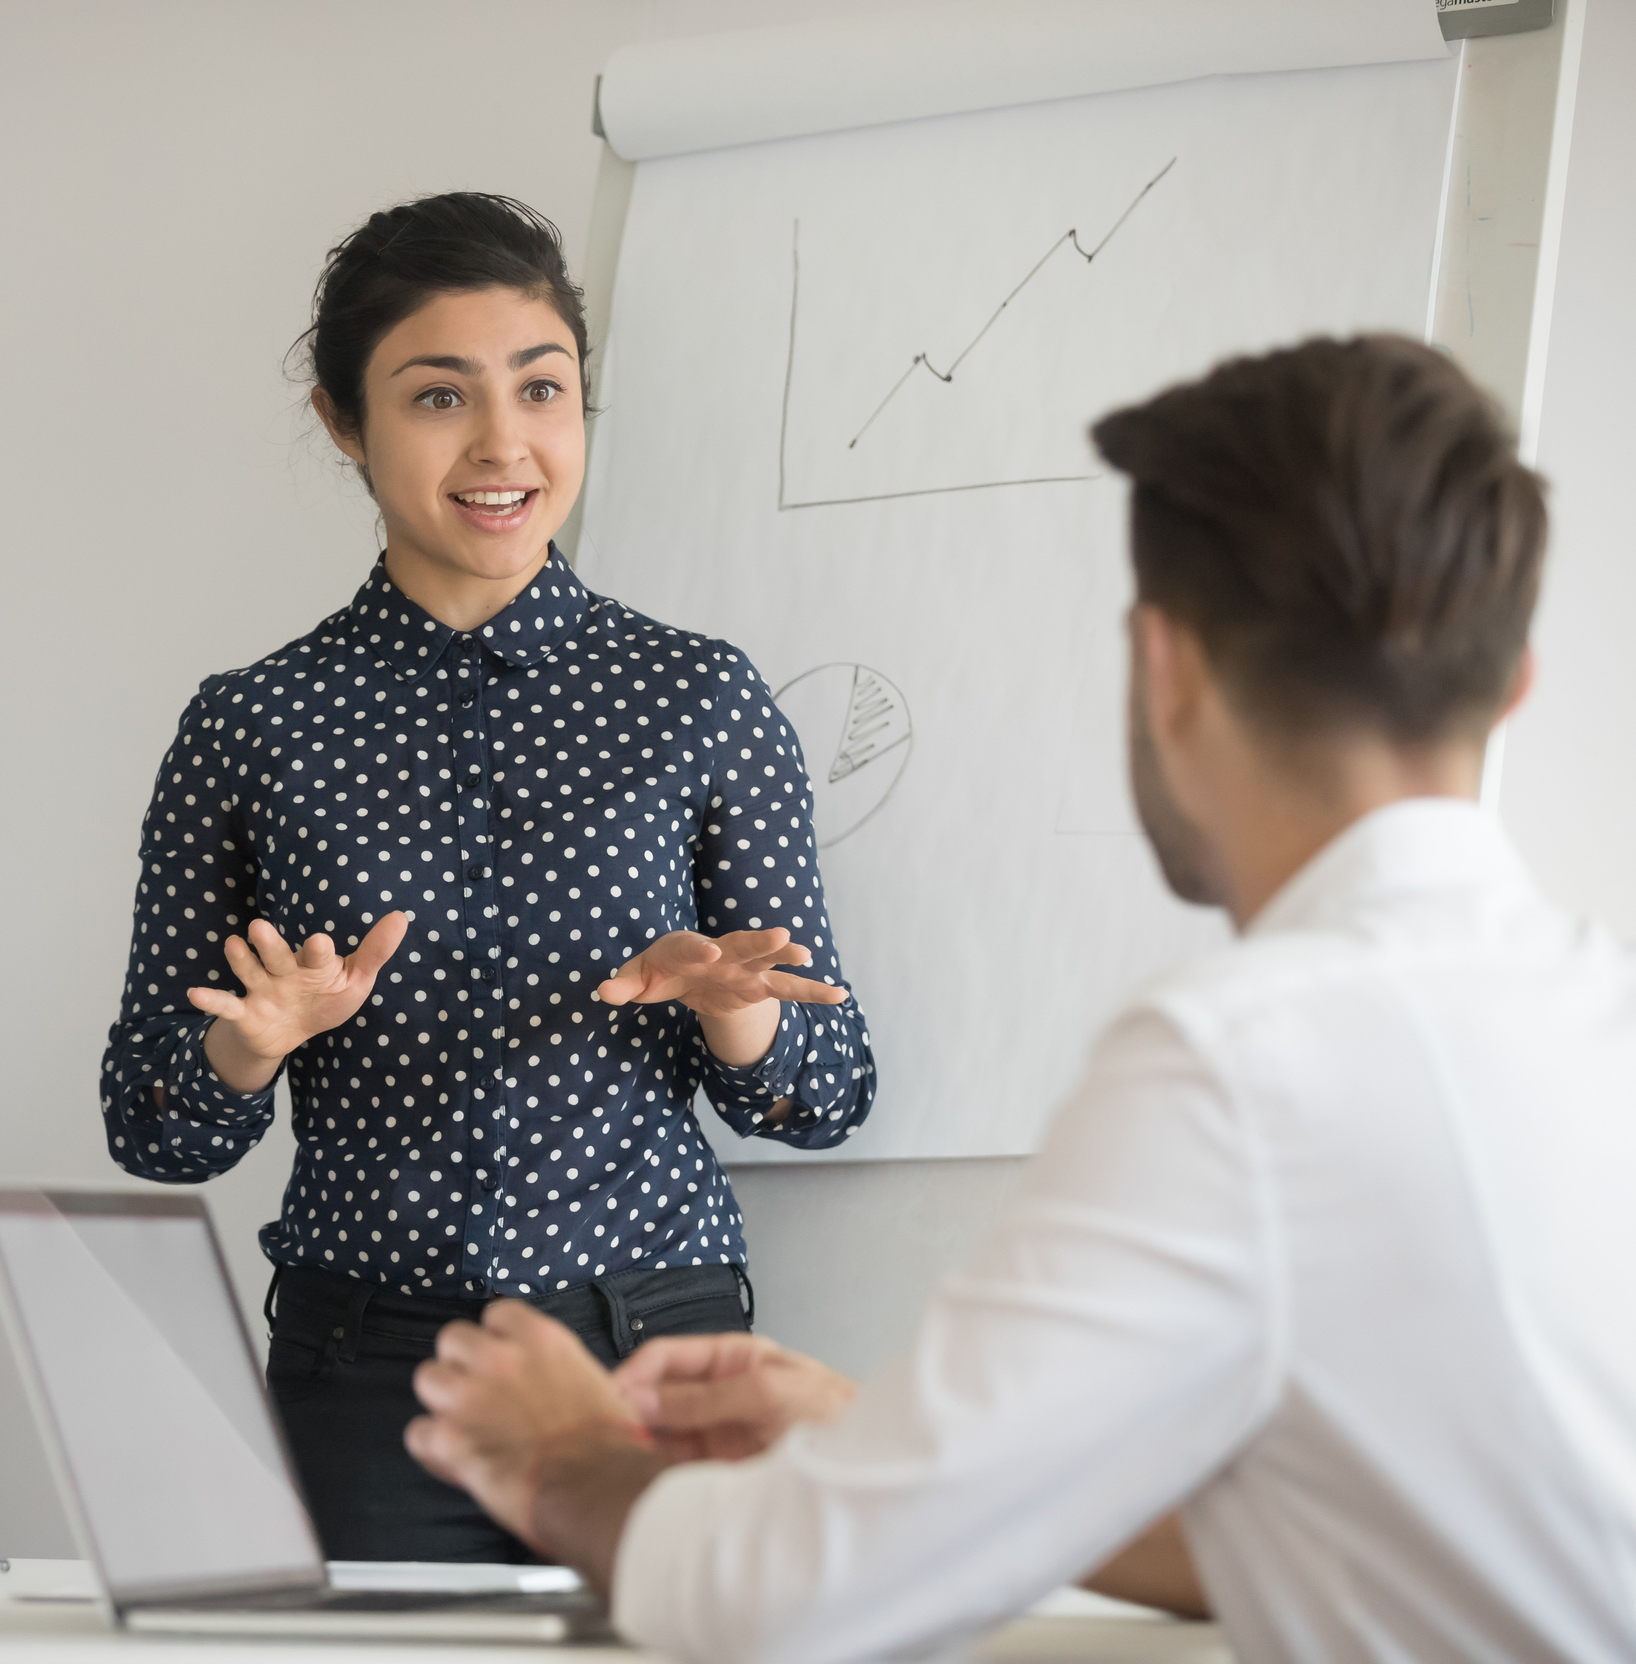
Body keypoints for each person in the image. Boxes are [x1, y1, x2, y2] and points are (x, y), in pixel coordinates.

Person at [403, 335, 1636, 1662]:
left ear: (1163, 667)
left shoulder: (1243, 1064)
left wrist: (563, 1457)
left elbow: (791, 1600)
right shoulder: (1595, 1016)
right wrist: (875, 1443)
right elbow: (1386, 1531)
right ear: (1512, 686)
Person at [99, 192, 877, 1562]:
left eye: (543, 389)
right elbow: (154, 1129)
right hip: (372, 1384)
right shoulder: (251, 724)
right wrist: (250, 1048)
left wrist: (731, 1010)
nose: (504, 443)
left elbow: (827, 1093)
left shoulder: (698, 696)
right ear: (348, 423)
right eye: (439, 397)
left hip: (657, 1364)